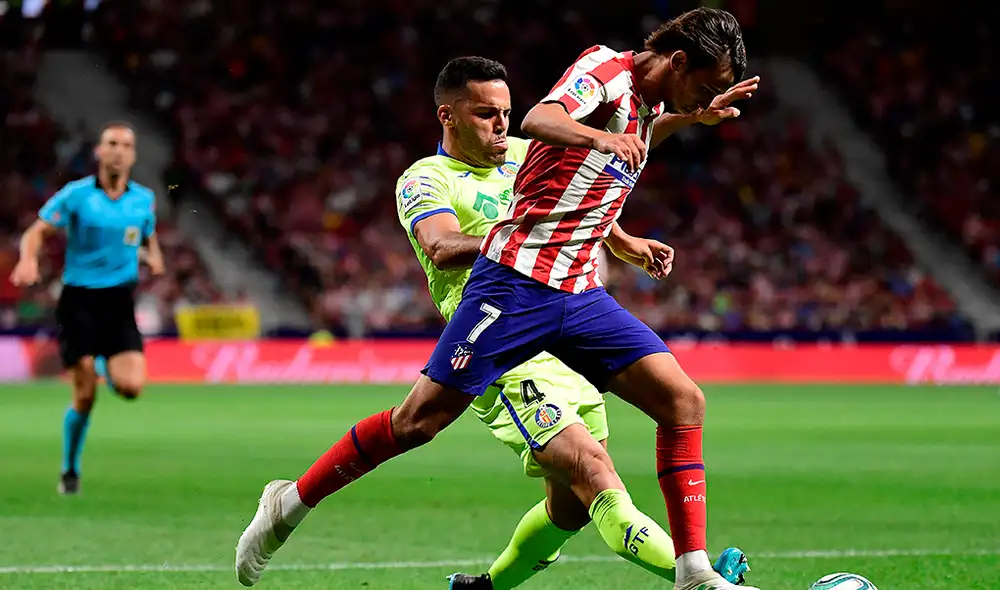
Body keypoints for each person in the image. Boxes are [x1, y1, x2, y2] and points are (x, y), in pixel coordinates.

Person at [236, 9, 759, 590]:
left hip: (578, 293)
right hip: (511, 292)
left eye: (503, 114)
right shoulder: (596, 76)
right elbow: (541, 123)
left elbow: (595, 170)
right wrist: (571, 171)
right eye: (488, 114)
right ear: (678, 62)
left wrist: (626, 232)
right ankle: (290, 503)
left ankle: (690, 571)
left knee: (677, 407)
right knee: (419, 424)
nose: (504, 127)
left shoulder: (633, 109)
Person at [10, 121, 164, 495]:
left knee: (132, 387)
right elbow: (35, 232)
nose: (118, 151)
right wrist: (28, 259)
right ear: (99, 151)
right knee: (84, 396)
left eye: (125, 145)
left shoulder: (143, 199)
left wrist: (155, 257)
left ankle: (101, 363)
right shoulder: (77, 195)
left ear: (133, 155)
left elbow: (147, 235)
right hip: (80, 301)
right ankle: (70, 470)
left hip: (119, 301)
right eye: (111, 143)